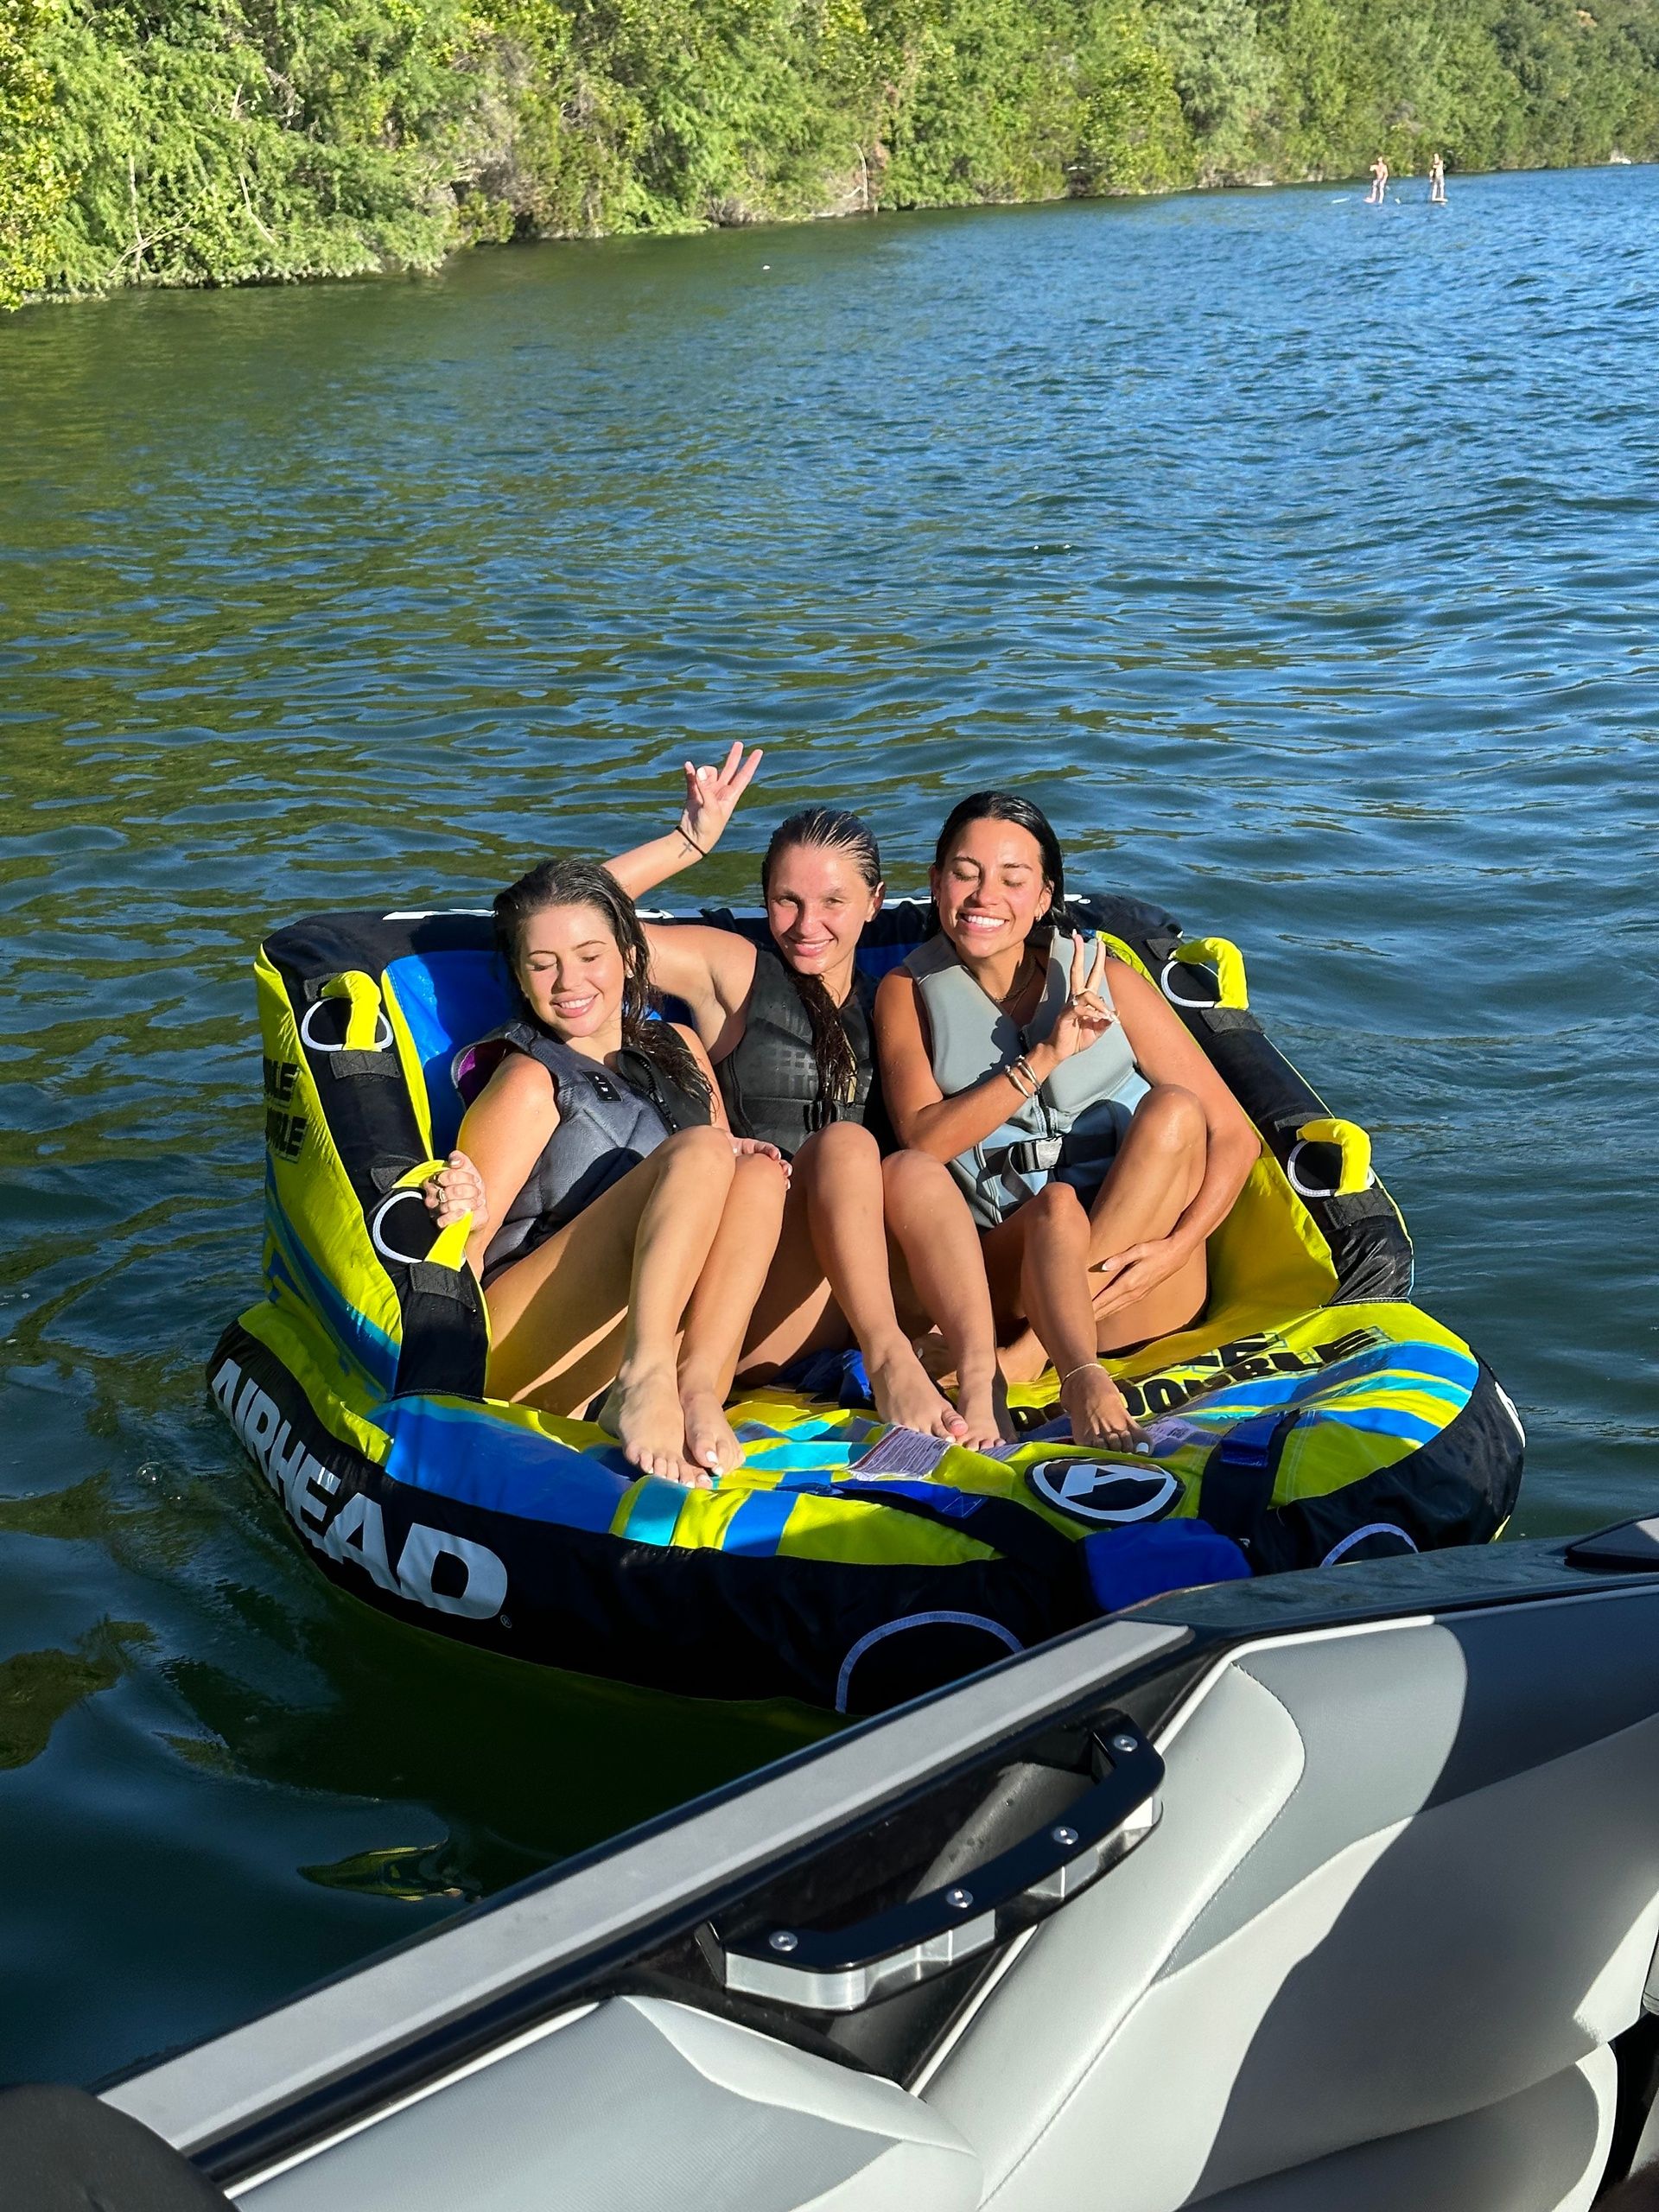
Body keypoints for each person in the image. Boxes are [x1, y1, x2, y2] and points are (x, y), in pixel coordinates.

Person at [602, 749, 1009, 1447]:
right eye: (786, 900)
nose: (805, 924)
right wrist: (689, 842)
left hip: (863, 1289)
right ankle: (889, 1363)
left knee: (912, 1169)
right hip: (754, 1297)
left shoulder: (900, 996)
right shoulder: (734, 971)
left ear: (876, 903)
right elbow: (576, 923)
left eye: (833, 902)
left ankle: (983, 1385)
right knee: (849, 1145)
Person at [874, 792, 1261, 1451]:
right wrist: (1047, 1055)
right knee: (1055, 1205)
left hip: (1140, 1282)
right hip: (1012, 1273)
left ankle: (1033, 1359)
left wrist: (1175, 1248)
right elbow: (921, 1140)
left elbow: (1236, 1133)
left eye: (1012, 878)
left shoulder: (1109, 977)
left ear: (1045, 893)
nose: (983, 895)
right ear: (936, 882)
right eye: (965, 873)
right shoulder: (907, 992)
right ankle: (1057, 1358)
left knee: (1175, 1111)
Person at [430, 857, 791, 1488]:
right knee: (705, 1151)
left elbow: (722, 1180)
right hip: (524, 1346)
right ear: (519, 974)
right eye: (543, 963)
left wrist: (750, 1162)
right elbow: (464, 1260)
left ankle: (700, 1387)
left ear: (629, 955)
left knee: (755, 1173)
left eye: (590, 955)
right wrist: (457, 1213)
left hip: (623, 1337)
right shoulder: (526, 1082)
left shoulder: (678, 1047)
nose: (569, 980)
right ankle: (644, 1379)